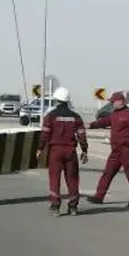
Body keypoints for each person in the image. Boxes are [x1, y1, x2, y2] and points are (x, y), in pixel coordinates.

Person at [86, 91, 129, 208]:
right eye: (111, 102)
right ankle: (99, 196)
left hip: (126, 151)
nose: (112, 103)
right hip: (116, 150)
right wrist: (91, 125)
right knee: (107, 173)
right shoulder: (114, 114)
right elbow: (104, 121)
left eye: (113, 101)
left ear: (121, 101)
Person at [38, 87, 90, 216]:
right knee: (72, 179)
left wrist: (40, 149)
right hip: (70, 151)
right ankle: (73, 207)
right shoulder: (76, 117)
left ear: (56, 100)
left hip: (55, 151)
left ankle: (55, 207)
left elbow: (44, 135)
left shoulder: (50, 116)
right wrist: (84, 151)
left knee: (54, 179)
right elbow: (82, 136)